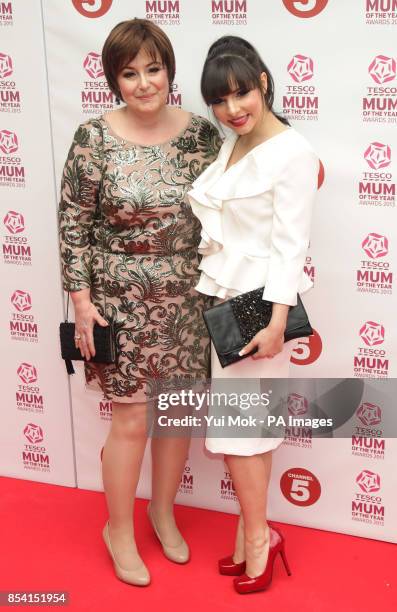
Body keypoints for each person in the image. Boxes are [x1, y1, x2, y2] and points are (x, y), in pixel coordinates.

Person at [58, 19, 221, 586]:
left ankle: (162, 512)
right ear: (114, 80)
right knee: (130, 417)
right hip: (118, 300)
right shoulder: (93, 138)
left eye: (154, 69)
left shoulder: (202, 135)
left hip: (186, 298)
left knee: (174, 415)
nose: (145, 83)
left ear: (170, 71)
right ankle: (118, 530)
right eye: (130, 73)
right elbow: (73, 226)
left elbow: (226, 210)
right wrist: (81, 300)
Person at [188, 36, 319, 594]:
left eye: (241, 93)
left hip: (258, 307)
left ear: (263, 82)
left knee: (240, 434)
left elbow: (292, 244)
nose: (232, 109)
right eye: (219, 100)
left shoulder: (291, 152)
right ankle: (253, 534)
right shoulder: (236, 143)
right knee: (251, 433)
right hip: (228, 300)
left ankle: (259, 540)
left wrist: (273, 323)